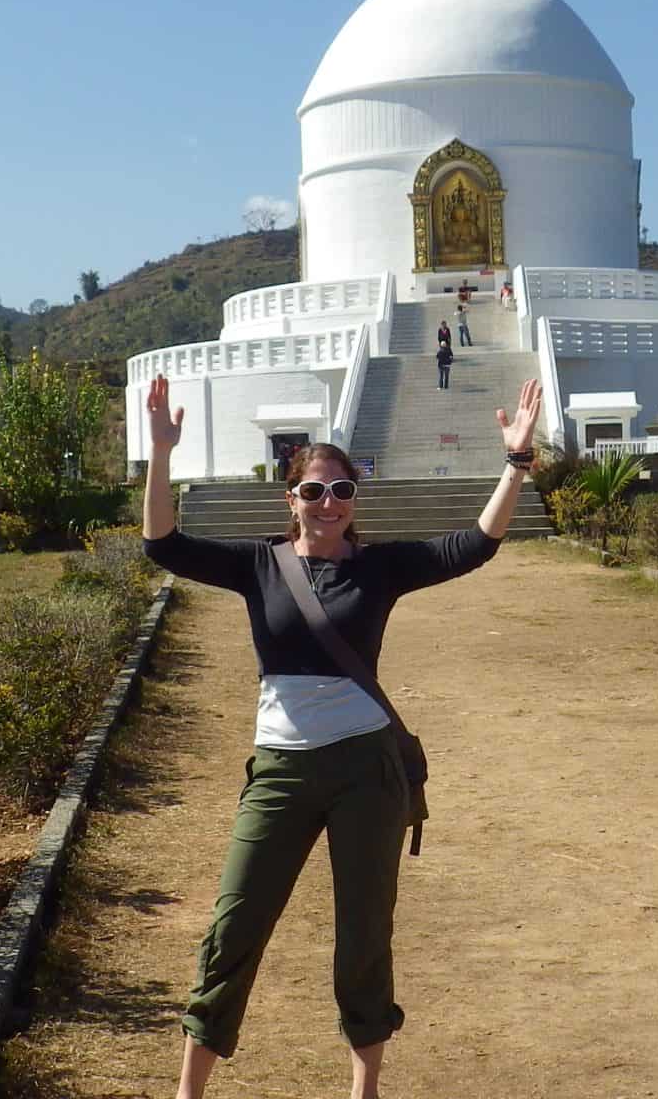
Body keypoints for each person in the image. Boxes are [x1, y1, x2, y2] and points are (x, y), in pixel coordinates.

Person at [140, 371, 545, 1099]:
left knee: (364, 934)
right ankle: (188, 1091)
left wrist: (515, 463)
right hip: (282, 770)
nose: (329, 503)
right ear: (288, 499)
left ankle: (365, 1089)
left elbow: (475, 545)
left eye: (342, 491)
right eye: (313, 491)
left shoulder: (381, 568)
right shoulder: (258, 564)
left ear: (355, 500)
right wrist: (162, 453)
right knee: (234, 928)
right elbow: (163, 544)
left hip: (367, 771)